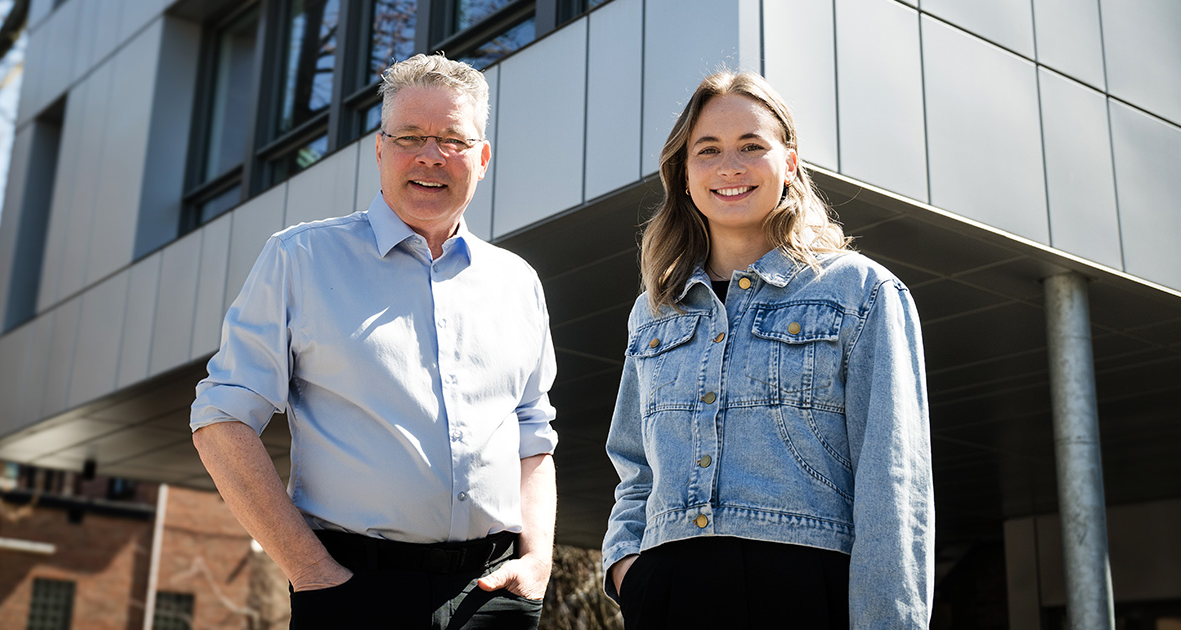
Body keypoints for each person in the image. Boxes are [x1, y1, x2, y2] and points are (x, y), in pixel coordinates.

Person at [190, 53, 558, 629]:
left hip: (494, 598)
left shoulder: (518, 281)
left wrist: (537, 561)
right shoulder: (299, 259)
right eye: (409, 136)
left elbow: (533, 430)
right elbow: (221, 419)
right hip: (353, 593)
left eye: (452, 140)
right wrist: (311, 569)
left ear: (482, 159)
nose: (430, 156)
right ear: (380, 150)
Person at [601, 71, 934, 628]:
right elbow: (634, 465)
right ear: (684, 174)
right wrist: (627, 569)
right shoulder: (654, 310)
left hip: (804, 590)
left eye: (752, 146)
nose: (729, 167)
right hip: (667, 592)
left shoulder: (862, 292)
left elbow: (893, 482)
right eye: (708, 150)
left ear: (791, 162)